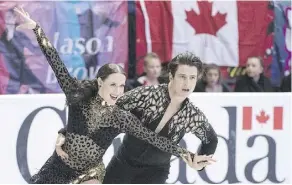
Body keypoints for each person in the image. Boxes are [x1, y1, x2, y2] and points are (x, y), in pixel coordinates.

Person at [14, 7, 211, 184]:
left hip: (91, 173)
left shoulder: (121, 117)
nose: (118, 91)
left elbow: (154, 138)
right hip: (59, 166)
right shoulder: (77, 95)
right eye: (113, 85)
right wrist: (35, 28)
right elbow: (55, 61)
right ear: (100, 82)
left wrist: (186, 154)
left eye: (122, 86)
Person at [57, 52, 219, 183]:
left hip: (156, 173)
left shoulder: (192, 115)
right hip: (123, 164)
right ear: (171, 75)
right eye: (182, 76)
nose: (187, 83)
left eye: (192, 78)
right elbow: (104, 110)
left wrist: (199, 165)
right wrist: (66, 132)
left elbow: (211, 139)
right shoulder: (146, 95)